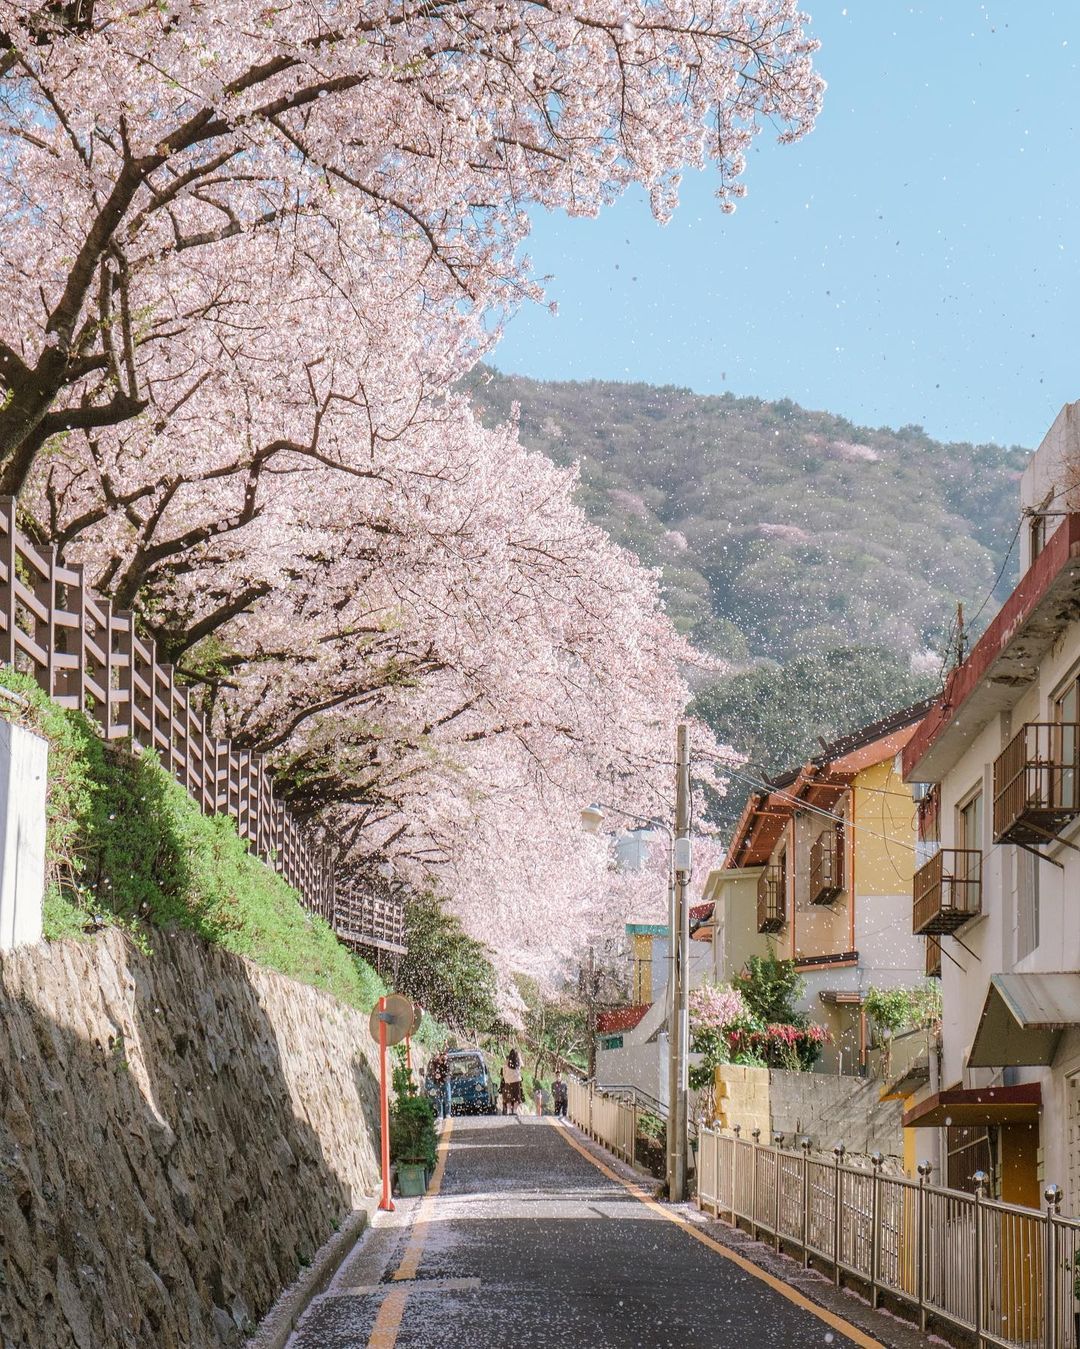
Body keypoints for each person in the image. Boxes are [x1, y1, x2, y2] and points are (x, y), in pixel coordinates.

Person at [430, 1048, 451, 1121]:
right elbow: (432, 1071)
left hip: (445, 1081)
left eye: (437, 1054)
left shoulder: (446, 1061)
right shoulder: (434, 1062)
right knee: (438, 1099)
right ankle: (440, 1115)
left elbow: (449, 1071)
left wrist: (441, 1075)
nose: (436, 1056)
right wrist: (435, 1075)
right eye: (435, 1055)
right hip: (437, 1082)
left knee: (447, 1098)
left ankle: (448, 1113)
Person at [503, 1048, 523, 1116]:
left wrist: (506, 1079)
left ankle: (509, 1111)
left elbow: (504, 1071)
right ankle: (514, 1111)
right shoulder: (518, 1063)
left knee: (509, 1096)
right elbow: (522, 1066)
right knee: (516, 1096)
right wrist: (519, 1057)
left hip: (508, 1082)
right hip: (517, 1082)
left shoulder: (507, 1062)